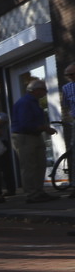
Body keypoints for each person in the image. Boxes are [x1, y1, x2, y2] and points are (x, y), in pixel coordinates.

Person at [10, 78, 58, 203]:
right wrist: (45, 128)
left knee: (40, 165)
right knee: (29, 166)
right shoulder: (25, 103)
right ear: (36, 90)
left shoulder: (34, 102)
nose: (45, 92)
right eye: (44, 90)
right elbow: (25, 124)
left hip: (34, 135)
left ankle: (39, 191)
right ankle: (32, 194)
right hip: (24, 136)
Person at [62, 64, 75, 196]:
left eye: (72, 74)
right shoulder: (66, 88)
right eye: (67, 75)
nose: (70, 77)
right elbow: (66, 106)